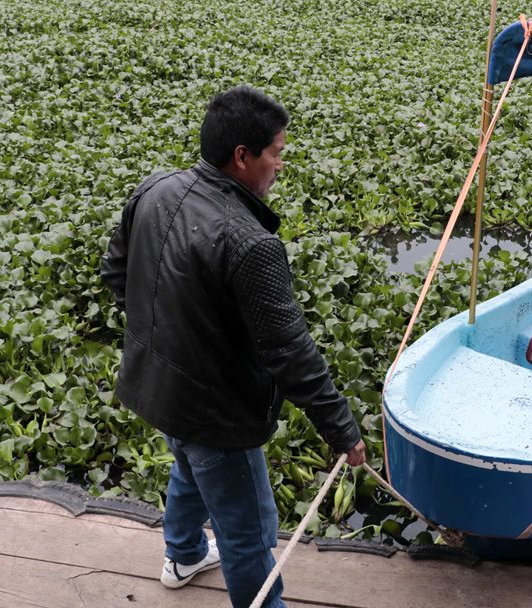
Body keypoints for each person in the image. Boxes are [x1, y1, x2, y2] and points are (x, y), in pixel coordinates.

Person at [101, 85, 366, 608]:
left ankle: (182, 556)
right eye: (276, 152)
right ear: (242, 156)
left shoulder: (155, 188)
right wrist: (343, 433)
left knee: (187, 462)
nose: (280, 165)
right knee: (249, 535)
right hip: (217, 413)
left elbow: (116, 273)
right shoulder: (252, 244)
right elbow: (290, 352)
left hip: (158, 388)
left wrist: (167, 337)